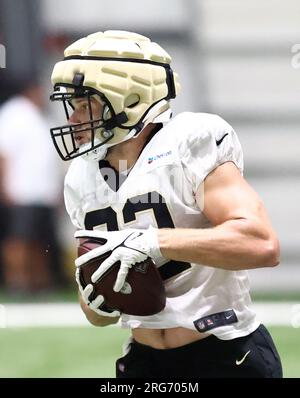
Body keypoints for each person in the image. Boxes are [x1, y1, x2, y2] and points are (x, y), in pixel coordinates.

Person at [49, 30, 282, 378]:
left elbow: (261, 243)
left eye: (85, 104)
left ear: (129, 100)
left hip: (224, 352)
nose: (72, 119)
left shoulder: (189, 142)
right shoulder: (80, 177)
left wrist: (152, 243)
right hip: (143, 361)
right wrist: (97, 300)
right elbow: (97, 314)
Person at [0, 76, 66, 294]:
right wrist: (4, 186)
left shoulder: (40, 116)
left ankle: (39, 284)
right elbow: (4, 153)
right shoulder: (12, 113)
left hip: (43, 192)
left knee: (41, 241)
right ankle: (17, 282)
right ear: (31, 90)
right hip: (22, 191)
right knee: (19, 240)